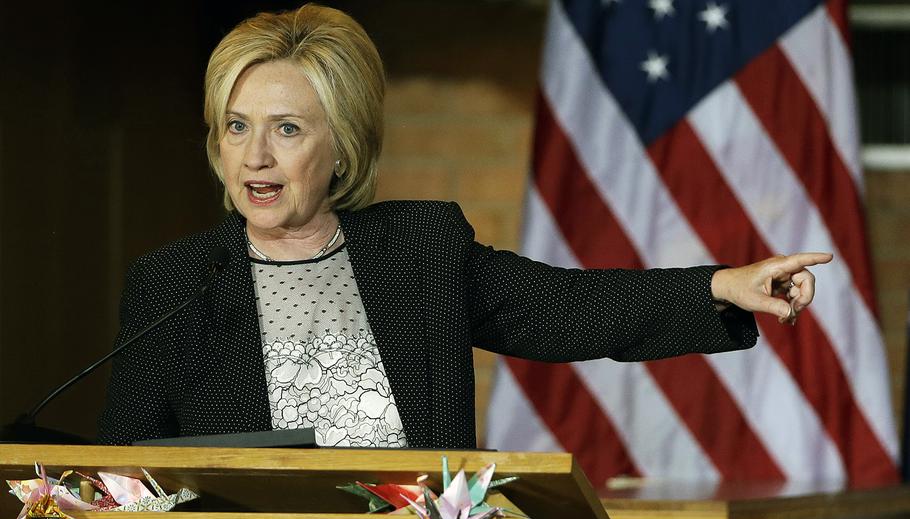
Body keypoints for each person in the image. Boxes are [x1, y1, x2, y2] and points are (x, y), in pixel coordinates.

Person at [97, 4, 831, 449]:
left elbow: (564, 309)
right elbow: (125, 471)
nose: (254, 154)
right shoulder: (173, 284)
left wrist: (722, 286)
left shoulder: (419, 251)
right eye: (236, 126)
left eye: (286, 128)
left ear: (343, 143)